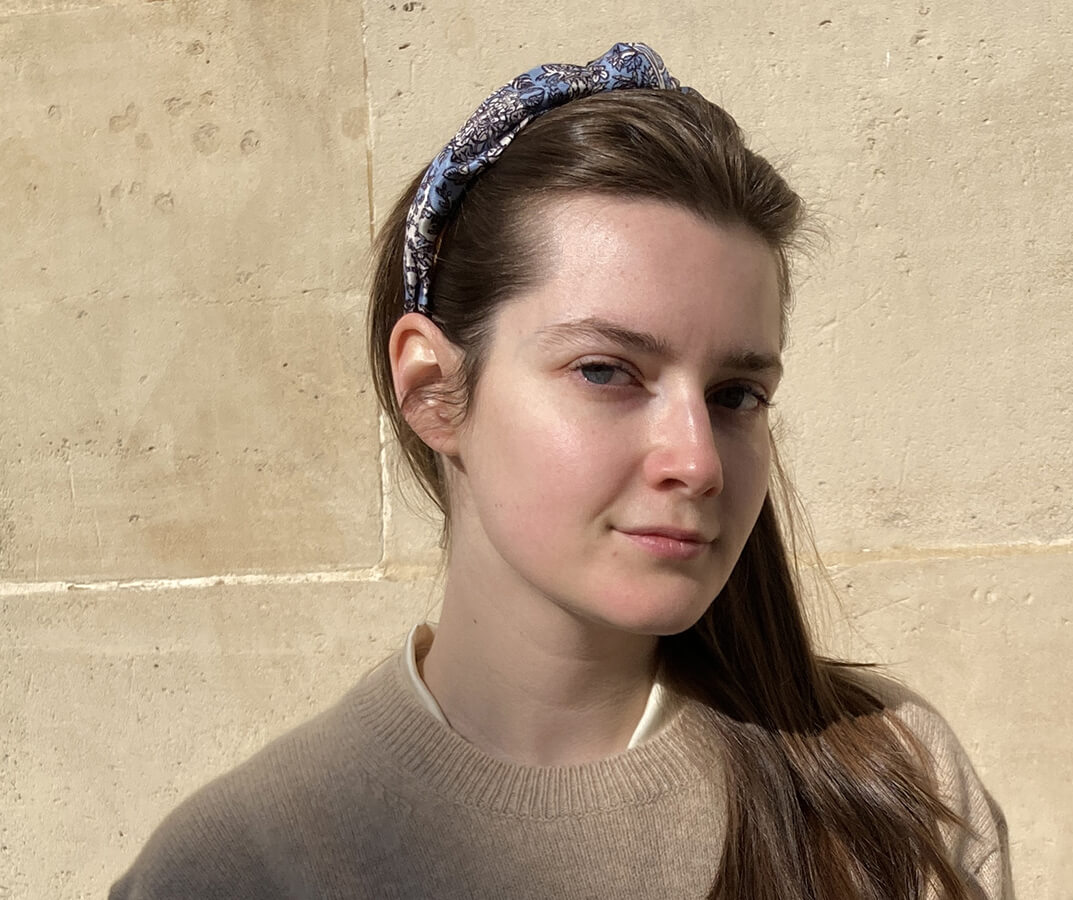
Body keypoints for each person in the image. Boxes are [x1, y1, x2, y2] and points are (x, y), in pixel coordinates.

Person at [110, 43, 1013, 899]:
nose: (697, 460)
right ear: (432, 386)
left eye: (737, 393)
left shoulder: (891, 791)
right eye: (606, 372)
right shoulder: (233, 869)